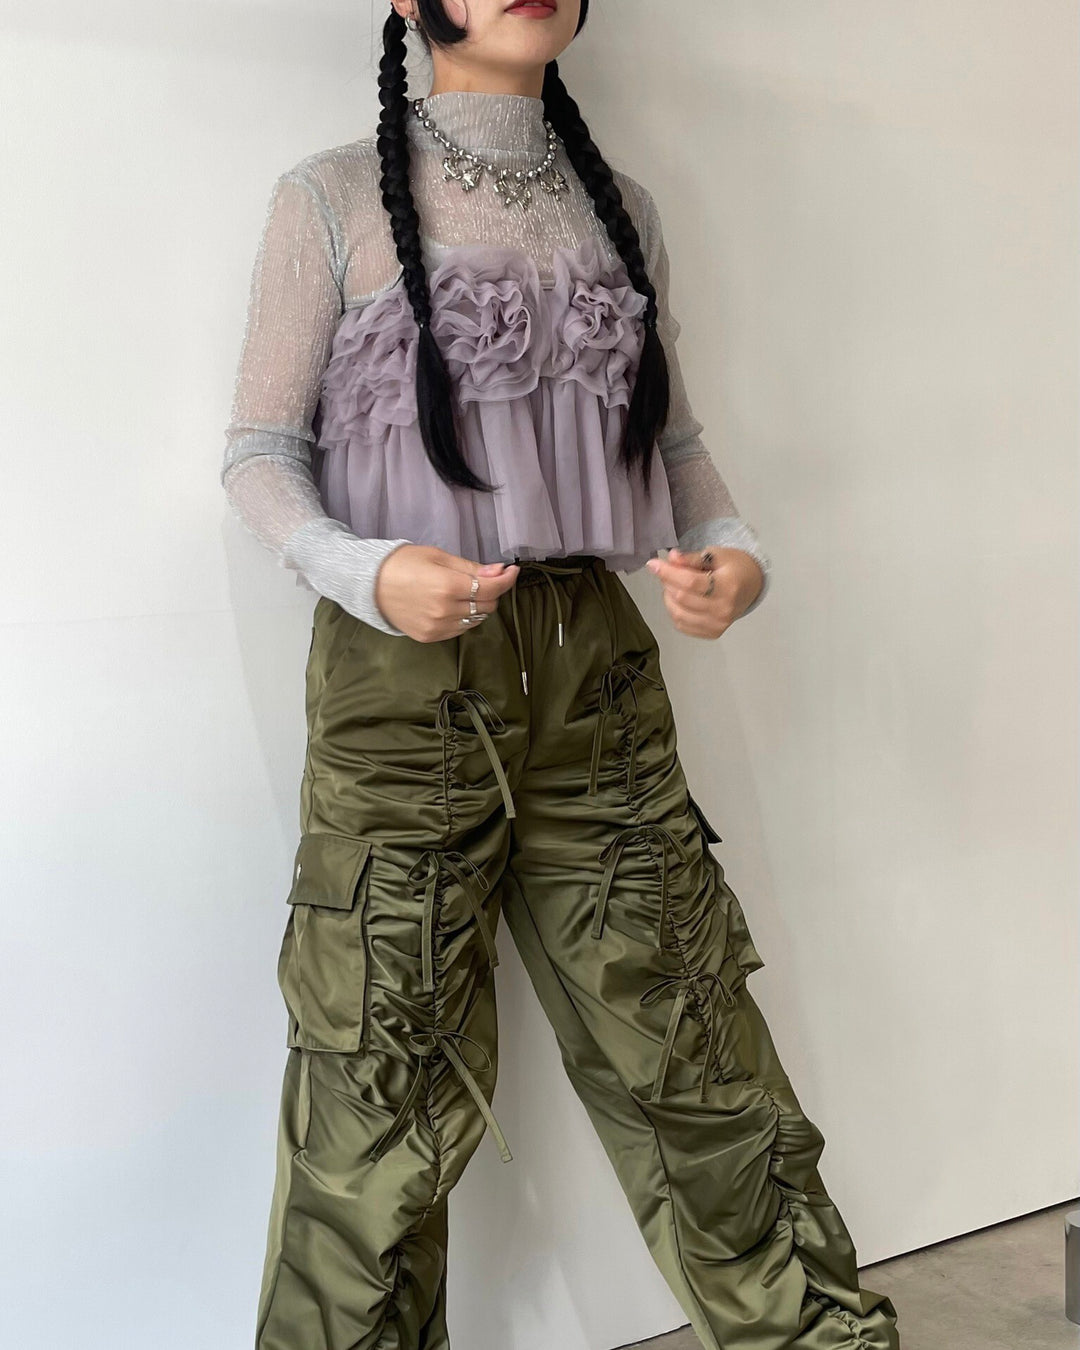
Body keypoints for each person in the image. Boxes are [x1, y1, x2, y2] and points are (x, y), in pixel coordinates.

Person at [221, 3, 902, 1348]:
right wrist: (365, 571)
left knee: (692, 1043)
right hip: (402, 683)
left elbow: (677, 442)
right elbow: (257, 450)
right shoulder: (330, 196)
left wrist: (734, 554)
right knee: (378, 1078)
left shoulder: (622, 207)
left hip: (599, 670)